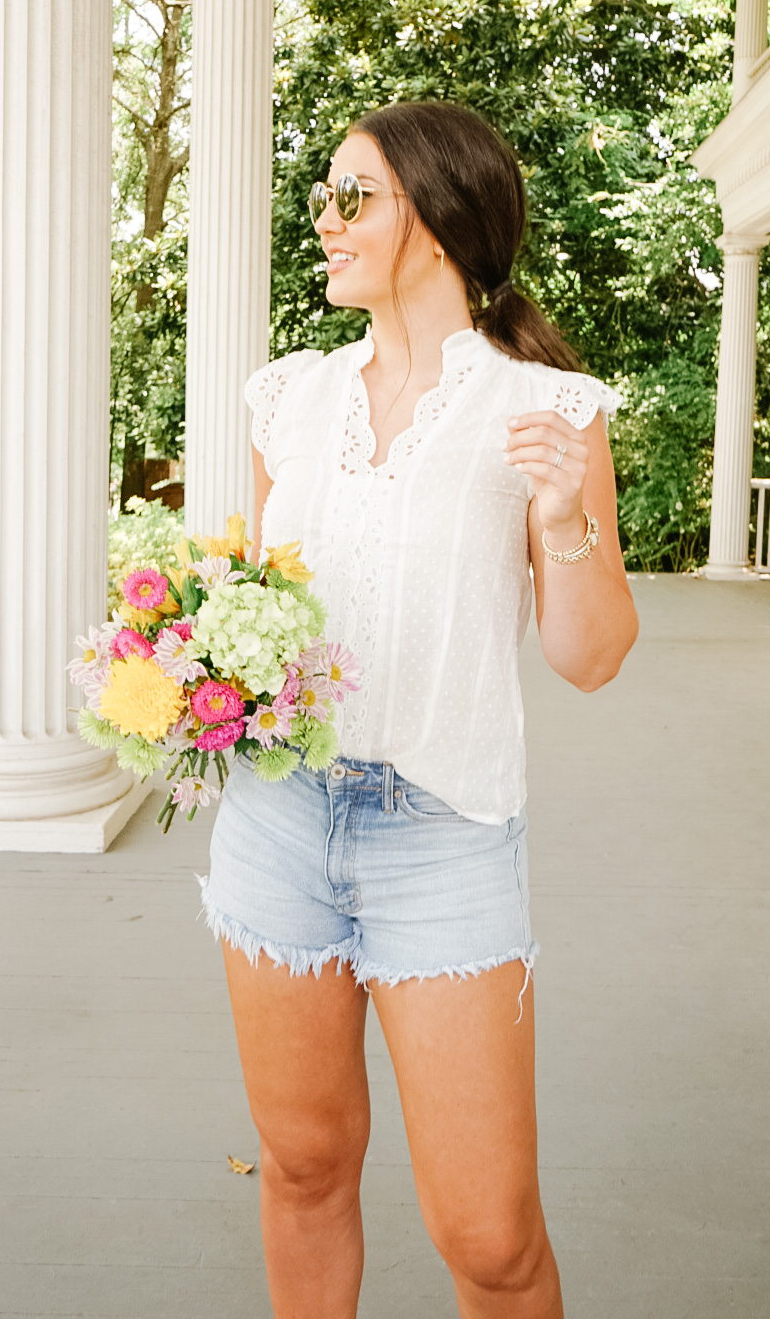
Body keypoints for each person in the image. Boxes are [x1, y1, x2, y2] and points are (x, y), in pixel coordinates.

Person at [198, 100, 638, 1318]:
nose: (325, 222)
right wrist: (194, 665)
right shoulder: (287, 398)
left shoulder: (549, 412)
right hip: (277, 824)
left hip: (442, 834)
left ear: (436, 221)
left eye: (355, 197)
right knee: (302, 1165)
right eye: (326, 197)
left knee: (492, 1239)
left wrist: (564, 521)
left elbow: (591, 657)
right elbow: (258, 603)